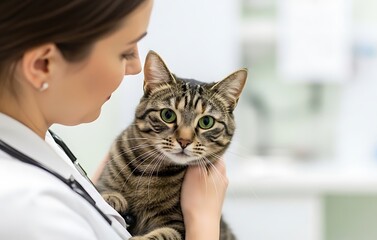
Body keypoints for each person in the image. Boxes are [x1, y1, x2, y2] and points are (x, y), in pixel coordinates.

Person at [0, 1, 228, 240]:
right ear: (42, 65)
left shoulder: (42, 141)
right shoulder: (34, 213)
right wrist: (203, 221)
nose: (136, 68)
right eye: (126, 52)